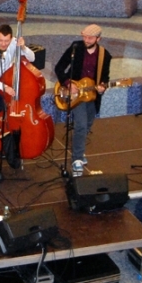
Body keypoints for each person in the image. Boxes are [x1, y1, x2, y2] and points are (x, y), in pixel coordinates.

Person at [54, 24, 112, 174]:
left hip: (91, 95)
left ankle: (78, 150)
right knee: (80, 125)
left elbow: (105, 77)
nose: (86, 40)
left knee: (87, 125)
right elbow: (59, 67)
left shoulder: (104, 55)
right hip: (75, 95)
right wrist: (68, 83)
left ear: (98, 38)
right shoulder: (75, 48)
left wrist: (103, 86)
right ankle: (77, 159)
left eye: (90, 38)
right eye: (84, 36)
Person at [0, 24, 35, 168]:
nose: (3, 44)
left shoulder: (13, 43)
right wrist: (2, 86)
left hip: (7, 81)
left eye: (6, 41)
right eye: (0, 40)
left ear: (11, 38)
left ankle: (0, 143)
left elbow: (32, 58)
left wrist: (23, 47)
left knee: (5, 114)